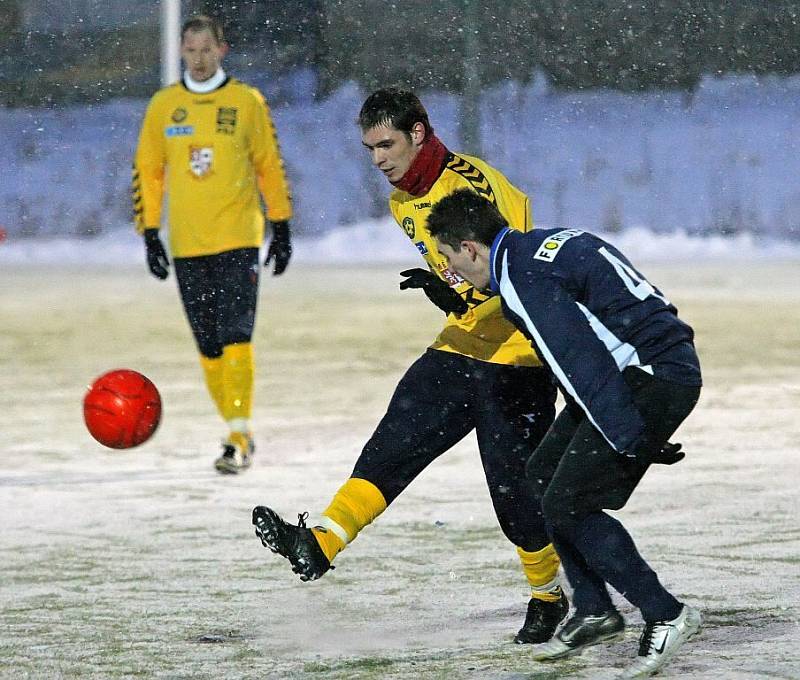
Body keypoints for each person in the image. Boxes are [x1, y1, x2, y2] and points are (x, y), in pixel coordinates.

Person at [252, 88, 568, 644]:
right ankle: (321, 541)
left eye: (387, 144)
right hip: (461, 345)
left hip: (519, 355)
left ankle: (549, 596)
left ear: (418, 134)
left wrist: (476, 299)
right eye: (369, 148)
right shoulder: (404, 199)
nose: (377, 159)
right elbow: (465, 279)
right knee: (395, 443)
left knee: (514, 498)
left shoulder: (471, 186)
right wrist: (456, 301)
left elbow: (523, 274)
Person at [426, 188, 703, 678]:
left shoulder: (522, 280)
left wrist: (629, 434)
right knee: (541, 473)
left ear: (470, 248)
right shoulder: (535, 248)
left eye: (450, 260)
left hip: (649, 375)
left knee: (568, 503)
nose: (454, 273)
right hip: (647, 368)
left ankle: (665, 612)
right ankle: (594, 609)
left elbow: (579, 362)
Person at [132, 15, 293, 474]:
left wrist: (280, 225)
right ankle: (236, 427)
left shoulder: (246, 102)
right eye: (191, 49)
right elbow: (149, 172)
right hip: (188, 243)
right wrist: (149, 233)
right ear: (181, 51)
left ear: (222, 50)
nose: (198, 58)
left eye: (207, 49)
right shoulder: (164, 106)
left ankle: (238, 435)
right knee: (208, 345)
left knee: (235, 333)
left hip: (238, 237)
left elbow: (270, 165)